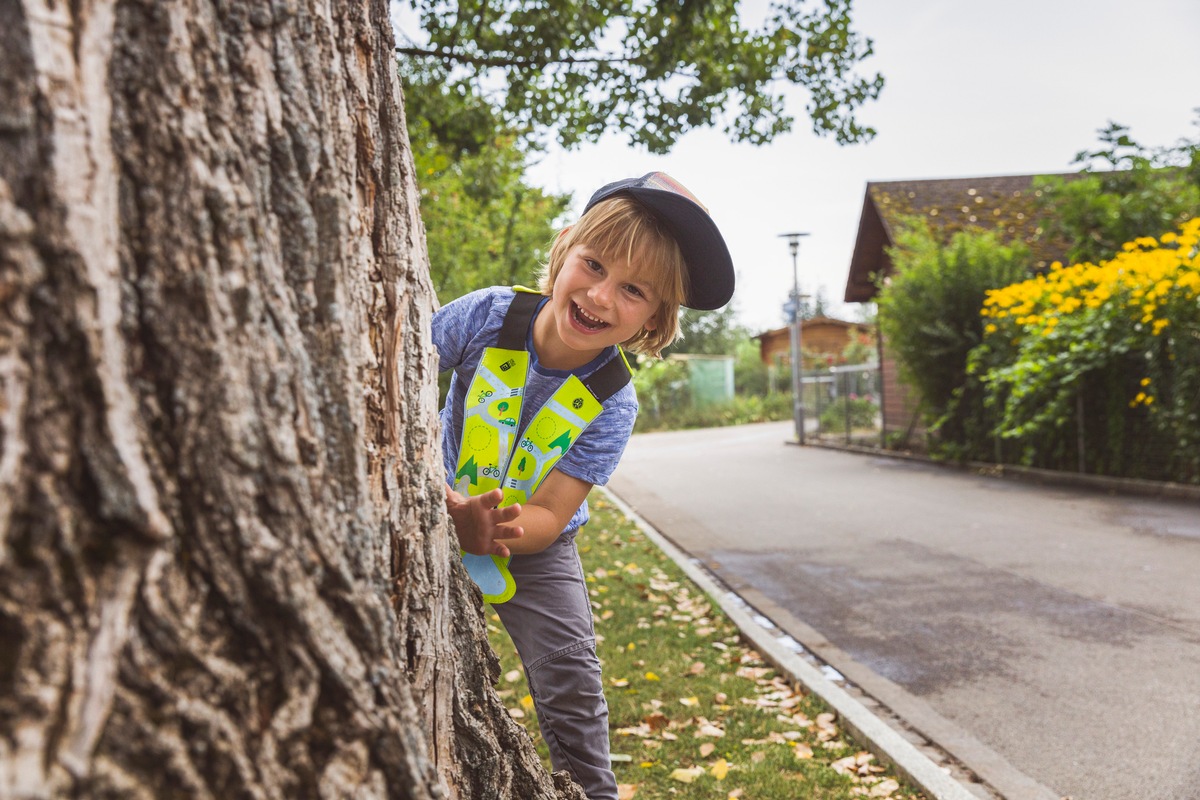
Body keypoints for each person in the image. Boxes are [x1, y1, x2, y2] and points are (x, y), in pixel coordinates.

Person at [432, 172, 734, 800]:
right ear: (564, 247)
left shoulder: (612, 400)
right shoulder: (488, 315)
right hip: (427, 509)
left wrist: (495, 528)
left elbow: (550, 509)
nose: (600, 296)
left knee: (572, 676)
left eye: (632, 290)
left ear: (657, 316)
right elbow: (396, 364)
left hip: (534, 549)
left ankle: (593, 791)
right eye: (593, 265)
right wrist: (447, 506)